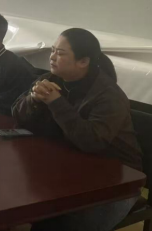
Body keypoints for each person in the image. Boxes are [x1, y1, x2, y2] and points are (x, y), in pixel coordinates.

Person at [12, 28, 142, 231]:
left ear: (83, 61)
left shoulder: (108, 96)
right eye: (52, 50)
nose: (52, 57)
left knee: (62, 222)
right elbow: (17, 116)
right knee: (13, 191)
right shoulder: (50, 79)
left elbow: (91, 141)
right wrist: (33, 99)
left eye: (60, 53)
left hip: (116, 179)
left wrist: (56, 102)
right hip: (70, 166)